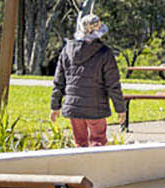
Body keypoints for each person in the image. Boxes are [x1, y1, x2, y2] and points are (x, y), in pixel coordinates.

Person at [50, 14, 127, 147]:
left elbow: (59, 81)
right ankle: (96, 168)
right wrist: (120, 108)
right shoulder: (105, 53)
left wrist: (55, 106)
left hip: (73, 107)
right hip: (96, 107)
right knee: (98, 142)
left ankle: (81, 167)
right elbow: (113, 84)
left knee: (80, 143)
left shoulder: (67, 50)